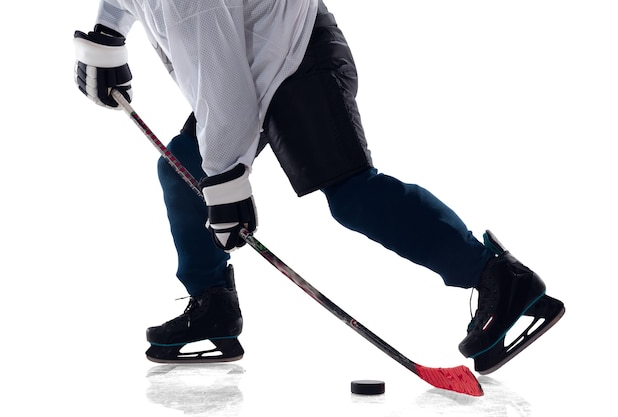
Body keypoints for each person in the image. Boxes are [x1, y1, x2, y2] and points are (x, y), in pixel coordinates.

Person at [73, 0, 564, 374]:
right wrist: (108, 30)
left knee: (353, 196)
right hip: (247, 56)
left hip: (296, 55)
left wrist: (226, 181)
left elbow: (228, 95)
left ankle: (498, 277)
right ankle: (213, 307)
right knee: (180, 171)